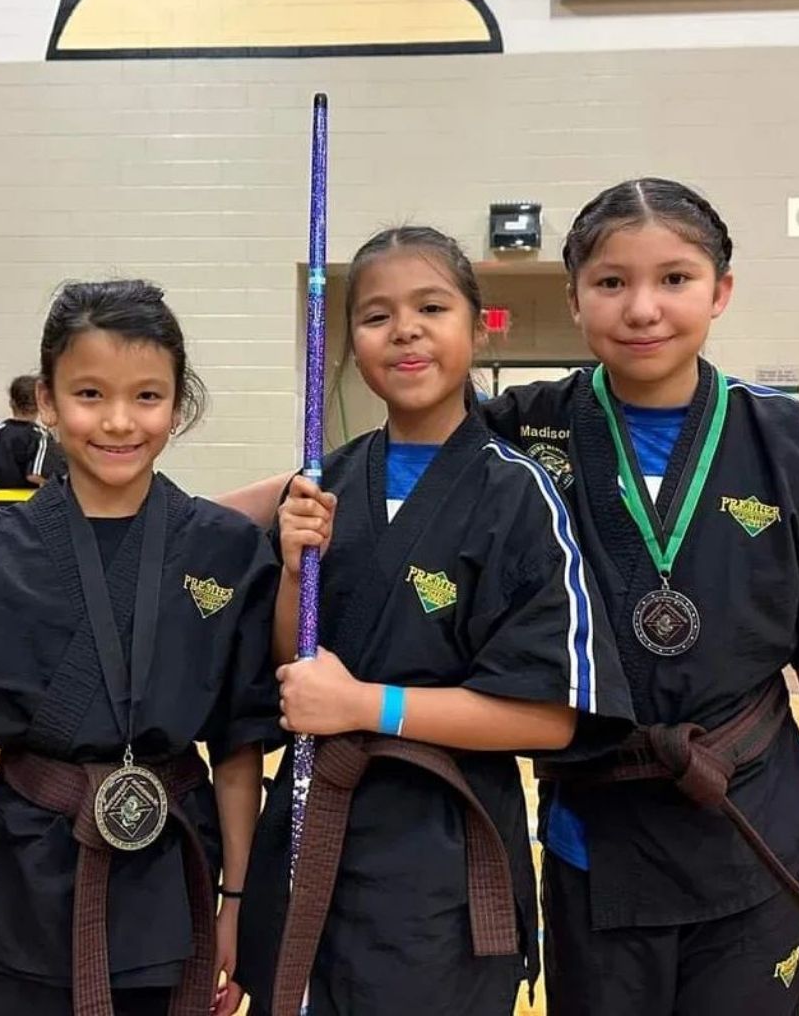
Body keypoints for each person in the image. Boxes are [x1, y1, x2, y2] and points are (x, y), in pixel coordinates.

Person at [481, 178, 799, 1015]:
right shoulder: (521, 432)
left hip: (752, 829)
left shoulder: (785, 438)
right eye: (611, 282)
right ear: (575, 297)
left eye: (675, 278)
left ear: (721, 291)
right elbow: (375, 469)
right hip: (597, 837)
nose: (643, 309)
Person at [0, 280, 280, 1016]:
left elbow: (238, 745)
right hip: (15, 891)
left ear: (179, 403)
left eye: (147, 396)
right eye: (88, 394)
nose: (117, 421)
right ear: (46, 400)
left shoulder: (225, 548)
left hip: (172, 886)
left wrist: (236, 898)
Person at [235, 226, 633, 1016]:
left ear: (477, 323)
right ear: (351, 343)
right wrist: (289, 571)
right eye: (377, 315)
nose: (405, 329)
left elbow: (549, 718)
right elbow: (296, 666)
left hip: (439, 858)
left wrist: (368, 705)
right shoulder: (326, 487)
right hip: (313, 834)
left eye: (431, 306)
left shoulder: (518, 497)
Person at [0, 374, 64, 515]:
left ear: (12, 402)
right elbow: (35, 475)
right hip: (28, 506)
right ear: (39, 404)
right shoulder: (40, 435)